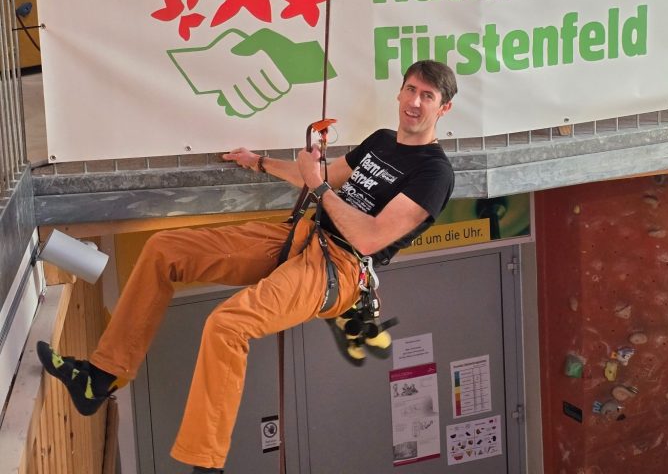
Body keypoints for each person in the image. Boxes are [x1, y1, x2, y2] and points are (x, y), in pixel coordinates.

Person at [37, 59, 457, 474]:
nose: (415, 102)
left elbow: (368, 235)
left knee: (227, 325)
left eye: (428, 96)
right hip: (304, 236)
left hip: (342, 269)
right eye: (411, 90)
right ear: (400, 92)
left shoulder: (434, 173)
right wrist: (259, 162)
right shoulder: (382, 140)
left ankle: (206, 461)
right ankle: (100, 377)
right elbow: (321, 174)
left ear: (443, 108)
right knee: (165, 250)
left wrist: (319, 184)